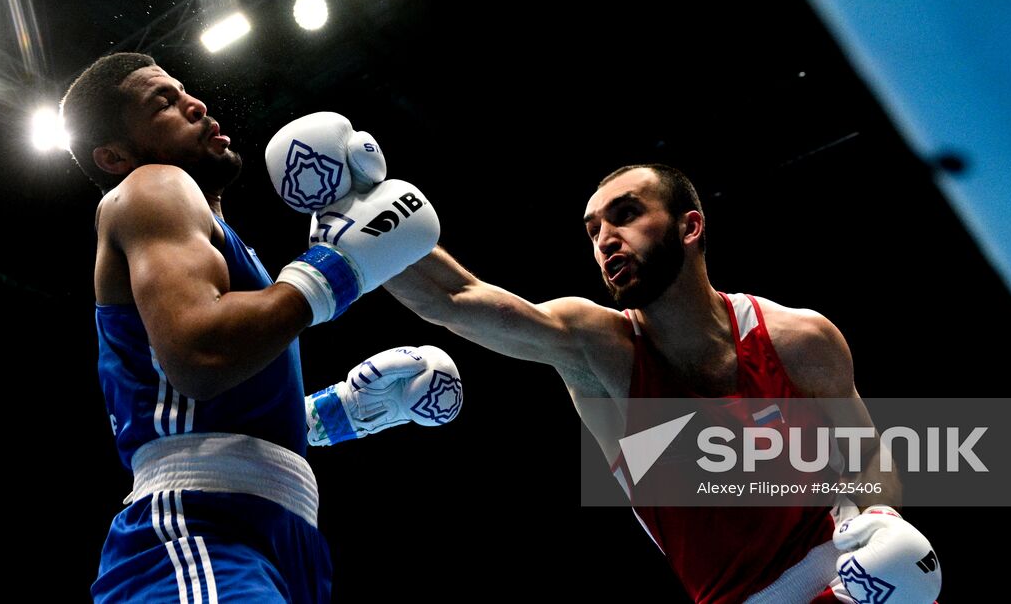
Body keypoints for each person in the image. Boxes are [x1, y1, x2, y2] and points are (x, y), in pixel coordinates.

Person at [380, 163, 940, 604]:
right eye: (594, 230)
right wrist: (356, 230)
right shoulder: (600, 352)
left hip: (858, 584)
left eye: (625, 215)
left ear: (690, 226)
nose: (605, 239)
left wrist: (880, 522)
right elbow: (453, 299)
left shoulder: (800, 339)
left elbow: (867, 456)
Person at [60, 53, 452, 603]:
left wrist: (334, 413)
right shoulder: (151, 185)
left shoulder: (221, 240)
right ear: (113, 155)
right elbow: (201, 356)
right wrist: (335, 271)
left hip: (269, 534)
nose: (195, 103)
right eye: (163, 103)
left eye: (183, 90)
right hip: (199, 530)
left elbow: (197, 400)